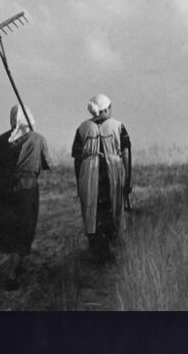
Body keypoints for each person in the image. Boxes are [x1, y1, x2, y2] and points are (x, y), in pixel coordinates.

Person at [0, 105, 52, 290]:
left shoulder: (4, 138)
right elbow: (48, 164)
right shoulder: (38, 138)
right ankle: (13, 272)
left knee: (9, 227)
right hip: (27, 189)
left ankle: (15, 264)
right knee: (24, 227)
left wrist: (1, 163)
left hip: (5, 187)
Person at [71, 94, 132, 263]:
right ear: (106, 109)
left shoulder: (82, 128)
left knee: (93, 211)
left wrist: (79, 181)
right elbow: (126, 153)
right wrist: (127, 179)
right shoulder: (118, 126)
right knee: (113, 208)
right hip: (113, 171)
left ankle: (98, 252)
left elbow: (77, 158)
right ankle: (113, 249)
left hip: (89, 173)